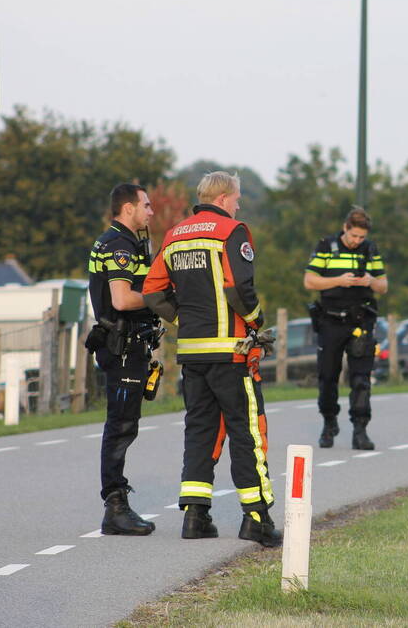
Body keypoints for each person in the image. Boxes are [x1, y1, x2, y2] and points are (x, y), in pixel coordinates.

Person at [142, 171, 280, 547]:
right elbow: (239, 287)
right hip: (231, 351)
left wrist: (183, 317)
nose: (238, 205)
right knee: (246, 432)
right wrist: (256, 321)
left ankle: (195, 516)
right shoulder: (231, 231)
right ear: (222, 198)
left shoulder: (173, 235)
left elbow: (152, 292)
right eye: (236, 198)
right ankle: (257, 519)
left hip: (192, 353)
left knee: (200, 431)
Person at [86, 183, 161, 536]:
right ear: (128, 208)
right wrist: (161, 297)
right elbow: (121, 300)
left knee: (123, 425)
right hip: (123, 347)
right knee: (120, 427)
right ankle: (115, 508)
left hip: (128, 346)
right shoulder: (119, 245)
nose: (151, 212)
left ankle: (116, 504)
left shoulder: (123, 241)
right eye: (146, 205)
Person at [304, 207, 388, 450]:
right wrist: (339, 281)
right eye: (353, 236)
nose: (356, 241)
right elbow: (309, 280)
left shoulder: (370, 249)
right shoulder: (326, 246)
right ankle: (329, 423)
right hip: (330, 321)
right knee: (328, 376)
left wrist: (370, 281)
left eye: (361, 237)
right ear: (345, 228)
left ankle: (360, 430)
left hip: (360, 322)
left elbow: (383, 285)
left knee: (361, 377)